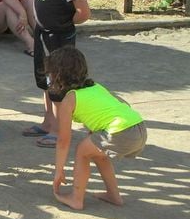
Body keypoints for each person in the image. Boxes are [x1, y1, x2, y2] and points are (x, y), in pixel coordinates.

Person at [46, 46, 147, 210]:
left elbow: (64, 140)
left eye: (49, 73)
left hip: (120, 131)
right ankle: (114, 196)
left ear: (58, 75)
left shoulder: (69, 100)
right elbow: (121, 105)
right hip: (139, 127)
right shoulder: (96, 87)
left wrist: (58, 171)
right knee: (99, 155)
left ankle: (76, 199)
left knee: (81, 151)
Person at [22, 0, 91, 147]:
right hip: (43, 35)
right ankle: (48, 122)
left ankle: (62, 131)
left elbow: (83, 12)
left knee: (60, 84)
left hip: (59, 39)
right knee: (45, 81)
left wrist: (62, 24)